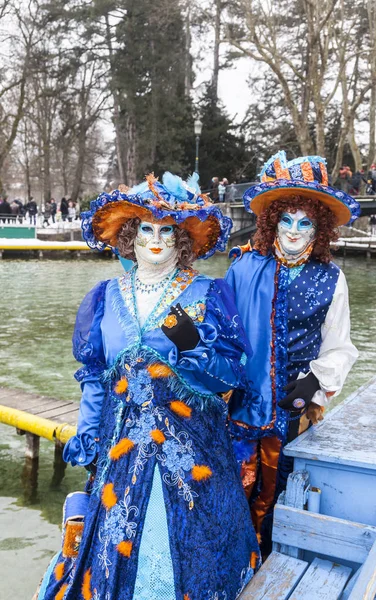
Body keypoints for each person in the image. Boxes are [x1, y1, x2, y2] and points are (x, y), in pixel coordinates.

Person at [35, 173, 260, 600]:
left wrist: (193, 345)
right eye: (146, 229)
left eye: (166, 231)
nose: (156, 240)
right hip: (122, 450)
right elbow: (95, 377)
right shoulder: (104, 296)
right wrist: (87, 434)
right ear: (130, 236)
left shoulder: (209, 293)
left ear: (181, 240)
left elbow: (231, 377)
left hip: (194, 452)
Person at [225, 151, 359, 555]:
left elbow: (339, 345)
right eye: (287, 220)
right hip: (242, 404)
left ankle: (268, 567)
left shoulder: (332, 278)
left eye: (305, 222)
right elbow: (223, 333)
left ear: (319, 227)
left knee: (279, 491)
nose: (295, 230)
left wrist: (311, 385)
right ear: (272, 221)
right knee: (235, 485)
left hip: (293, 406)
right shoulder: (244, 267)